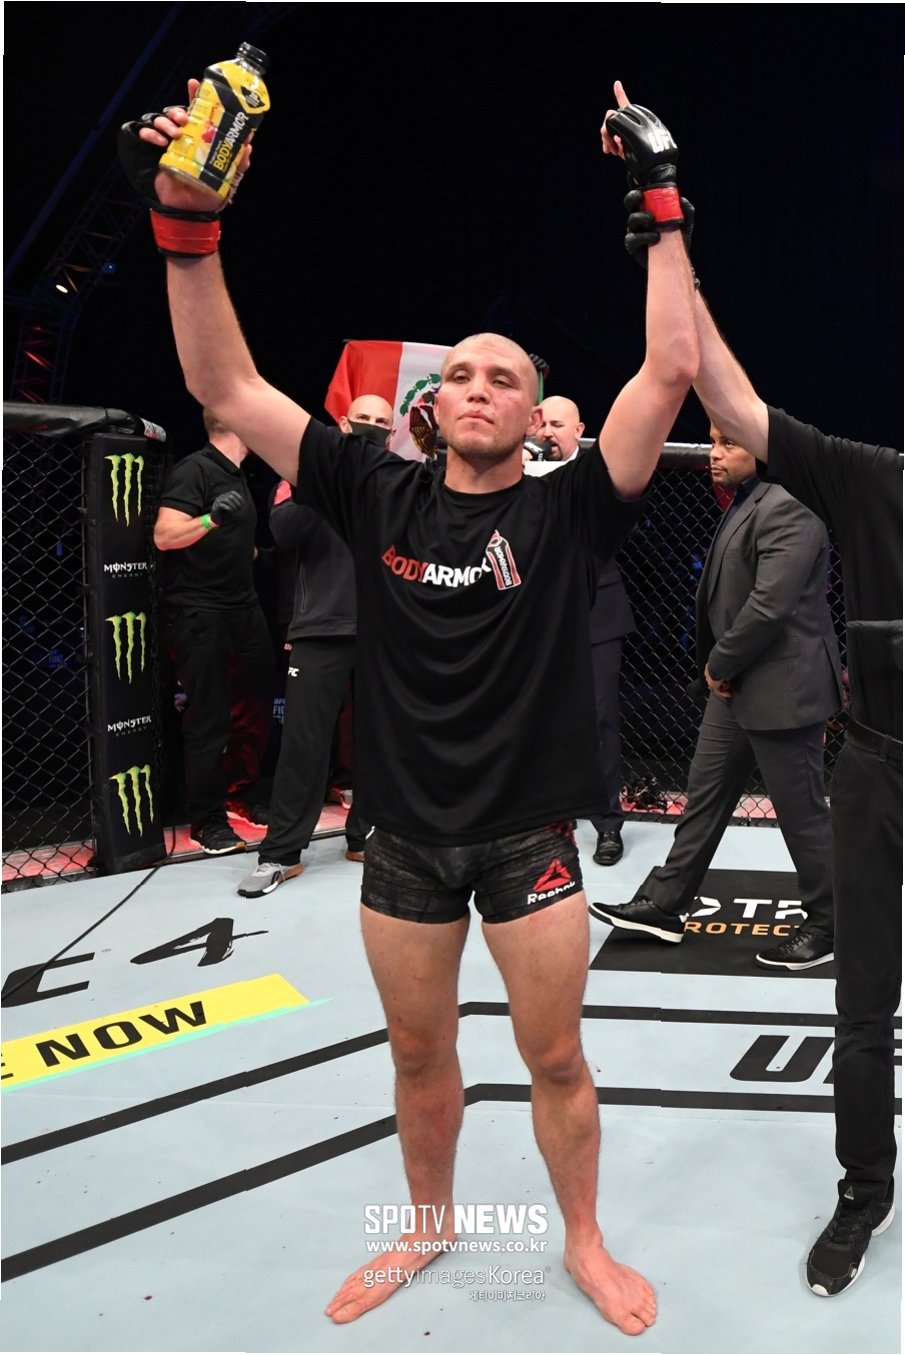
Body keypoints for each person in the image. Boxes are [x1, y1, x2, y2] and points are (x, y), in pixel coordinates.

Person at [120, 82, 698, 1337]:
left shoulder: (567, 507)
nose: (481, 386)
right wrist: (187, 226)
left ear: (531, 411)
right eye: (463, 374)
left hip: (527, 835)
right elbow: (225, 382)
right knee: (418, 1055)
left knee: (555, 1057)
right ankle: (427, 1223)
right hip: (400, 838)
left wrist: (658, 201)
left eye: (506, 376)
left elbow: (669, 367)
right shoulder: (372, 488)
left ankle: (583, 1240)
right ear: (431, 407)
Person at [604, 80, 902, 1300]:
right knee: (860, 1003)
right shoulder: (871, 479)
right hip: (879, 771)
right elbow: (720, 390)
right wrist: (662, 209)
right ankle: (861, 1190)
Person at [588, 423, 842, 968]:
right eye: (711, 441)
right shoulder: (750, 498)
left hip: (781, 688)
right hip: (737, 684)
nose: (714, 454)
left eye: (728, 442)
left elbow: (770, 605)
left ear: (763, 449)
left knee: (802, 814)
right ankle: (665, 903)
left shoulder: (791, 504)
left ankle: (832, 923)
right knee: (704, 798)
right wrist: (723, 669)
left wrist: (719, 664)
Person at [236, 395, 392, 898]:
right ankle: (281, 853)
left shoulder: (393, 480)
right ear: (342, 424)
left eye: (381, 424)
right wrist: (333, 478)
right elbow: (284, 530)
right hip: (320, 627)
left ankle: (366, 836)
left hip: (384, 630)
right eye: (364, 420)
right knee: (304, 743)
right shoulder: (302, 476)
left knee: (381, 740)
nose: (371, 428)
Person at [154, 408, 275, 855]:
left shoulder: (238, 473)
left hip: (243, 607)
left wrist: (263, 555)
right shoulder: (196, 470)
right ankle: (206, 820)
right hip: (199, 611)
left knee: (256, 704)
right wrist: (210, 520)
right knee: (210, 716)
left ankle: (241, 793)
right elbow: (165, 536)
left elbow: (232, 543)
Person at [535, 396, 636, 866]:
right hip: (537, 615)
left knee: (598, 718)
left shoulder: (599, 471)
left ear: (579, 430)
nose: (548, 432)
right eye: (542, 424)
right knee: (539, 718)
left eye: (558, 424)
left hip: (596, 609)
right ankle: (548, 816)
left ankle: (607, 822)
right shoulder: (517, 471)